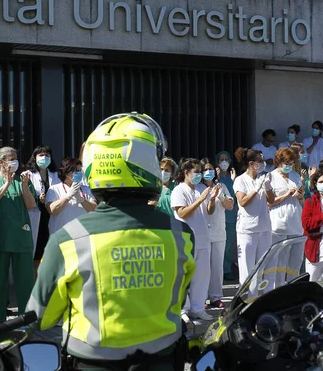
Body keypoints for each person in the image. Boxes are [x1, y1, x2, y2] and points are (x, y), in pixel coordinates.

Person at [27, 113, 196, 369]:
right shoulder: (181, 234)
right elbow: (180, 296)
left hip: (93, 362)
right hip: (162, 359)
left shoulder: (67, 239)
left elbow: (41, 316)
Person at [0, 147, 37, 326]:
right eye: (10, 159)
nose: (14, 162)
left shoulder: (23, 180)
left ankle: (26, 321)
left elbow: (30, 204)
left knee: (25, 282)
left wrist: (23, 186)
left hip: (21, 237)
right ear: (0, 162)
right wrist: (5, 184)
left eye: (16, 158)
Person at [171, 158, 220, 321]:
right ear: (186, 173)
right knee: (184, 275)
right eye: (196, 172)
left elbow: (210, 212)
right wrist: (200, 200)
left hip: (203, 238)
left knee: (202, 275)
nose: (199, 175)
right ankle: (183, 310)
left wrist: (212, 199)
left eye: (200, 172)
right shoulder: (179, 190)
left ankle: (198, 309)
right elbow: (182, 213)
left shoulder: (202, 188)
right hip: (185, 239)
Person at [233, 148, 275, 284]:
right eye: (260, 161)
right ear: (251, 164)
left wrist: (267, 187)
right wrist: (255, 189)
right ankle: (246, 300)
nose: (263, 164)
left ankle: (264, 297)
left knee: (265, 266)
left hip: (264, 228)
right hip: (248, 230)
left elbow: (272, 201)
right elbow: (243, 201)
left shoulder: (263, 178)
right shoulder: (240, 180)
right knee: (247, 268)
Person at [268, 148, 305, 287]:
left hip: (296, 223)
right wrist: (286, 195)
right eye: (286, 162)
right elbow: (268, 202)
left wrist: (300, 196)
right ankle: (277, 288)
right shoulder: (270, 177)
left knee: (296, 260)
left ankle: (293, 289)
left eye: (291, 162)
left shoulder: (295, 176)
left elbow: (302, 201)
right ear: (279, 162)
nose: (288, 165)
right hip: (279, 224)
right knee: (279, 261)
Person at [200, 158, 234, 309]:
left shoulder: (222, 186)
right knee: (203, 267)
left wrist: (220, 195)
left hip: (219, 231)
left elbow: (230, 206)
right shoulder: (198, 188)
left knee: (217, 266)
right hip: (202, 232)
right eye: (205, 170)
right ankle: (201, 298)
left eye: (211, 169)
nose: (208, 172)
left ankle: (216, 296)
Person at [24, 145, 61, 273]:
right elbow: (24, 196)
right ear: (35, 157)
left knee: (50, 252)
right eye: (41, 155)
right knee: (36, 252)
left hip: (52, 215)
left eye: (47, 155)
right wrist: (37, 198)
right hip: (35, 216)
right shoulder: (27, 175)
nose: (44, 158)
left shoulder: (56, 175)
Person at [45, 158, 97, 235]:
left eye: (80, 170)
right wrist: (68, 195)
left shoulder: (86, 189)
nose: (79, 173)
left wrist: (81, 199)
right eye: (76, 171)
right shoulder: (54, 189)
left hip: (83, 235)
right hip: (61, 236)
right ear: (66, 173)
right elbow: (52, 210)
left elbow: (94, 209)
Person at [215, 151, 238, 281]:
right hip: (217, 216)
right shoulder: (216, 177)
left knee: (228, 245)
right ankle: (217, 270)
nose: (224, 162)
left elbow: (236, 197)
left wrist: (234, 181)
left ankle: (227, 269)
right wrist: (216, 178)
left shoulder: (232, 177)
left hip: (230, 215)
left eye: (226, 159)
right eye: (221, 159)